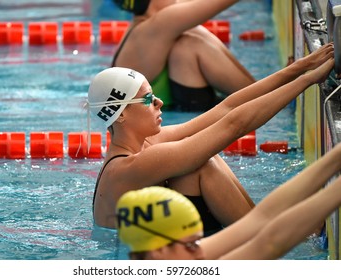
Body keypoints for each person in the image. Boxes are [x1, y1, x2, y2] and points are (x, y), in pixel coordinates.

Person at [87, 43, 334, 233]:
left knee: (200, 161)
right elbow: (234, 125)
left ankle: (265, 229)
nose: (159, 102)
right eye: (149, 99)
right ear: (120, 115)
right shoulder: (130, 168)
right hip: (128, 262)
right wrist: (308, 80)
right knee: (203, 163)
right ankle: (266, 236)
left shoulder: (146, 146)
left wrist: (299, 68)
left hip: (154, 243)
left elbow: (225, 109)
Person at [116, 140, 341, 260]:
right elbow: (269, 243)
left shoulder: (180, 259)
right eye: (192, 244)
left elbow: (260, 218)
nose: (201, 249)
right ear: (159, 251)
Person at [111, 0, 256, 111]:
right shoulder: (154, 28)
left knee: (192, 35)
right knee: (188, 47)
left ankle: (264, 95)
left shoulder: (154, 26)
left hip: (182, 113)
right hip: (181, 120)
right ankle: (264, 97)